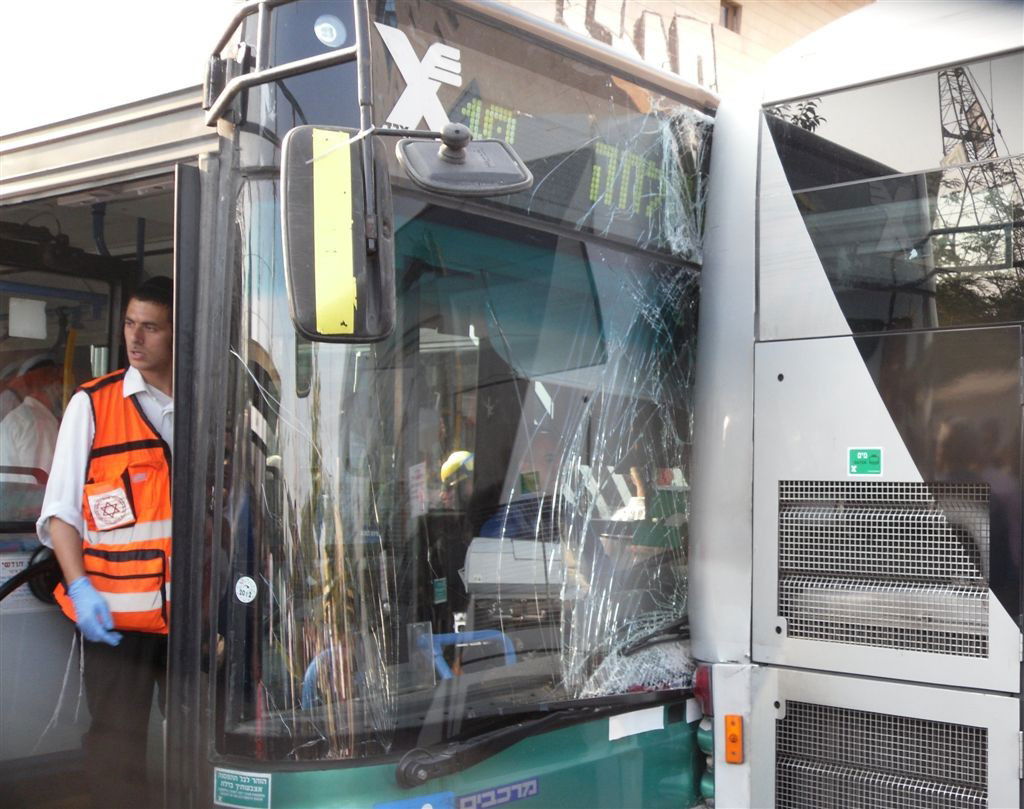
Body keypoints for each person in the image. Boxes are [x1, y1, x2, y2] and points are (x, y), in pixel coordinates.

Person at [37, 276, 174, 809]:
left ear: (179, 332)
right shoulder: (92, 405)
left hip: (194, 620)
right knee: (117, 753)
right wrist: (80, 587)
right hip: (117, 623)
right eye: (130, 324)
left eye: (151, 327)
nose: (135, 338)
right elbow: (61, 514)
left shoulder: (211, 400)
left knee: (202, 747)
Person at [0, 355, 62, 482]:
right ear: (51, 384)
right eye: (59, 382)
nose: (63, 390)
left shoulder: (18, 417)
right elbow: (41, 481)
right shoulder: (39, 423)